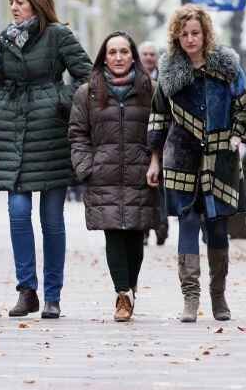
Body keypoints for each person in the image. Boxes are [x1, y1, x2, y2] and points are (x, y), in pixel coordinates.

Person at [146, 4, 246, 323]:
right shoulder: (168, 71)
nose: (190, 39)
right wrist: (154, 160)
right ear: (176, 36)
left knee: (219, 227)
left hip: (221, 159)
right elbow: (158, 117)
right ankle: (190, 299)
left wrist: (236, 137)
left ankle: (218, 296)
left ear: (206, 33)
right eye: (184, 34)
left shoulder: (228, 66)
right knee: (189, 222)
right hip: (181, 158)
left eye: (195, 33)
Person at [0, 0, 92, 319]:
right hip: (15, 136)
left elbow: (88, 78)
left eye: (20, 1)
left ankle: (53, 295)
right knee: (18, 213)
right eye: (12, 2)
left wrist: (56, 99)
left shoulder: (57, 36)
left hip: (50, 137)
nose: (14, 7)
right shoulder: (5, 39)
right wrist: (0, 103)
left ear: (36, 2)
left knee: (51, 220)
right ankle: (26, 290)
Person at [68, 31, 158, 322]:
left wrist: (155, 162)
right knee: (113, 233)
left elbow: (162, 129)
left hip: (140, 172)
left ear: (133, 55)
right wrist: (86, 167)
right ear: (103, 57)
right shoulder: (88, 92)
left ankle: (130, 285)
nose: (118, 58)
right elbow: (77, 134)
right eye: (112, 52)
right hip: (102, 174)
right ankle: (122, 294)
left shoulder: (150, 90)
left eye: (123, 52)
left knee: (135, 233)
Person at [138, 39, 168, 246]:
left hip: (162, 143)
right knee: (142, 189)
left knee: (162, 189)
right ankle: (144, 231)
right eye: (145, 54)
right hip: (139, 142)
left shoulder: (165, 80)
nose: (149, 57)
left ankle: (162, 227)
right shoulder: (132, 79)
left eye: (152, 54)